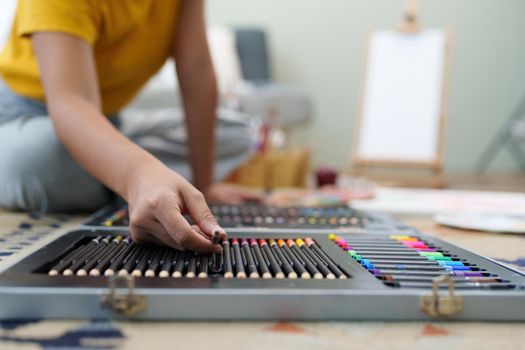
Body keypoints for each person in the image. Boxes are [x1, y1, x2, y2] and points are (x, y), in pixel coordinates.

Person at [0, 0, 260, 253]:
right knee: (39, 159)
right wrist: (137, 173)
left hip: (106, 120)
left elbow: (196, 69)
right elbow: (71, 101)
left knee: (235, 132)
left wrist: (206, 184)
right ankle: (136, 181)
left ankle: (131, 178)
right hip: (25, 117)